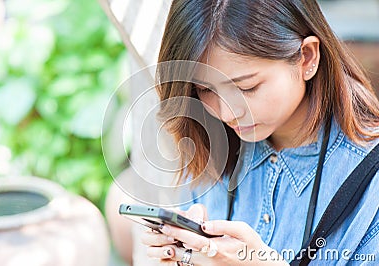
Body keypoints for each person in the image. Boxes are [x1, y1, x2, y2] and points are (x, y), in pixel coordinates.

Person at [140, 0, 379, 265]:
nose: (228, 113)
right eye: (206, 90)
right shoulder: (207, 142)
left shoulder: (370, 181)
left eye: (247, 88)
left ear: (307, 57)